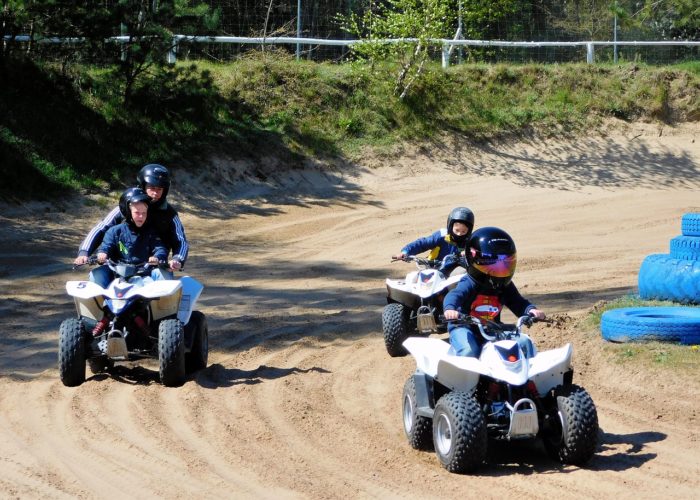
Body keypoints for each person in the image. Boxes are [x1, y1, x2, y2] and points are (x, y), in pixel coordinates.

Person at [442, 226, 545, 358]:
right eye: (493, 264)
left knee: (524, 343)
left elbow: (518, 302)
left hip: (492, 328)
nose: (499, 270)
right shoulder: (469, 282)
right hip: (463, 327)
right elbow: (454, 295)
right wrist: (450, 309)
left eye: (505, 264)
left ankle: (530, 378)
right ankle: (460, 378)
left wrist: (531, 310)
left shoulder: (505, 285)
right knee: (469, 351)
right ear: (474, 260)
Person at [74, 164, 189, 275]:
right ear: (142, 186)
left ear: (165, 190)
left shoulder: (170, 214)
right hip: (119, 267)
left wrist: (177, 259)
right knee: (96, 276)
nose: (155, 193)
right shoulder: (124, 208)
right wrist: (84, 252)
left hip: (153, 268)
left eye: (160, 189)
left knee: (165, 279)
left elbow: (181, 241)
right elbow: (101, 228)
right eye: (152, 188)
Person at [89, 188, 168, 288]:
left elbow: (160, 248)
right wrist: (102, 254)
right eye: (137, 213)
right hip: (117, 275)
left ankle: (159, 303)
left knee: (162, 276)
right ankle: (100, 302)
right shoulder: (114, 231)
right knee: (96, 274)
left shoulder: (151, 232)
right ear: (127, 211)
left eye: (144, 213)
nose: (141, 217)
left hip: (143, 275)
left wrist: (157, 257)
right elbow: (106, 246)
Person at [392, 207, 475, 276]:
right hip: (432, 267)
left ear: (469, 230)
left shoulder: (470, 242)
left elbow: (478, 255)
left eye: (463, 231)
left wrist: (469, 254)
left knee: (462, 275)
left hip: (452, 271)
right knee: (413, 277)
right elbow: (422, 244)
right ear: (450, 226)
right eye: (457, 230)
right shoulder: (441, 236)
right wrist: (405, 252)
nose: (459, 234)